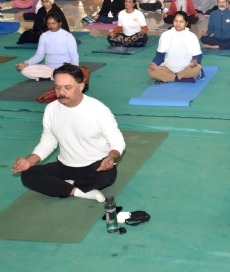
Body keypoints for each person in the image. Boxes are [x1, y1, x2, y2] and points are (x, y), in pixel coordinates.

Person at [12, 64, 125, 203]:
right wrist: (28, 162)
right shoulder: (51, 109)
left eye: (67, 87)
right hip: (65, 166)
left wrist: (112, 157)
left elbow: (116, 140)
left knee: (106, 177)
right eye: (57, 87)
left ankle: (64, 186)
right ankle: (78, 191)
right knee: (28, 175)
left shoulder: (98, 110)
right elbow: (48, 141)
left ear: (81, 87)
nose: (61, 92)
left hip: (95, 165)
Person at [15, 12, 78, 81]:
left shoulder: (68, 36)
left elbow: (74, 55)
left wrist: (75, 70)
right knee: (25, 70)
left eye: (54, 23)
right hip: (48, 68)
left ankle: (55, 76)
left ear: (60, 23)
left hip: (64, 68)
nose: (51, 26)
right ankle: (55, 76)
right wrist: (26, 63)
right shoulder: (44, 36)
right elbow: (39, 56)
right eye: (49, 23)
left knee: (69, 73)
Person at [148, 11, 202, 83]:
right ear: (173, 22)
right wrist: (154, 63)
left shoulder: (192, 36)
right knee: (150, 71)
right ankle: (180, 78)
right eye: (176, 21)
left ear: (186, 23)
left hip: (187, 68)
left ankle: (171, 78)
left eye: (181, 21)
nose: (178, 24)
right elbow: (160, 56)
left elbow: (197, 55)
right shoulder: (165, 35)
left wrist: (195, 61)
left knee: (197, 68)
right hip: (167, 69)